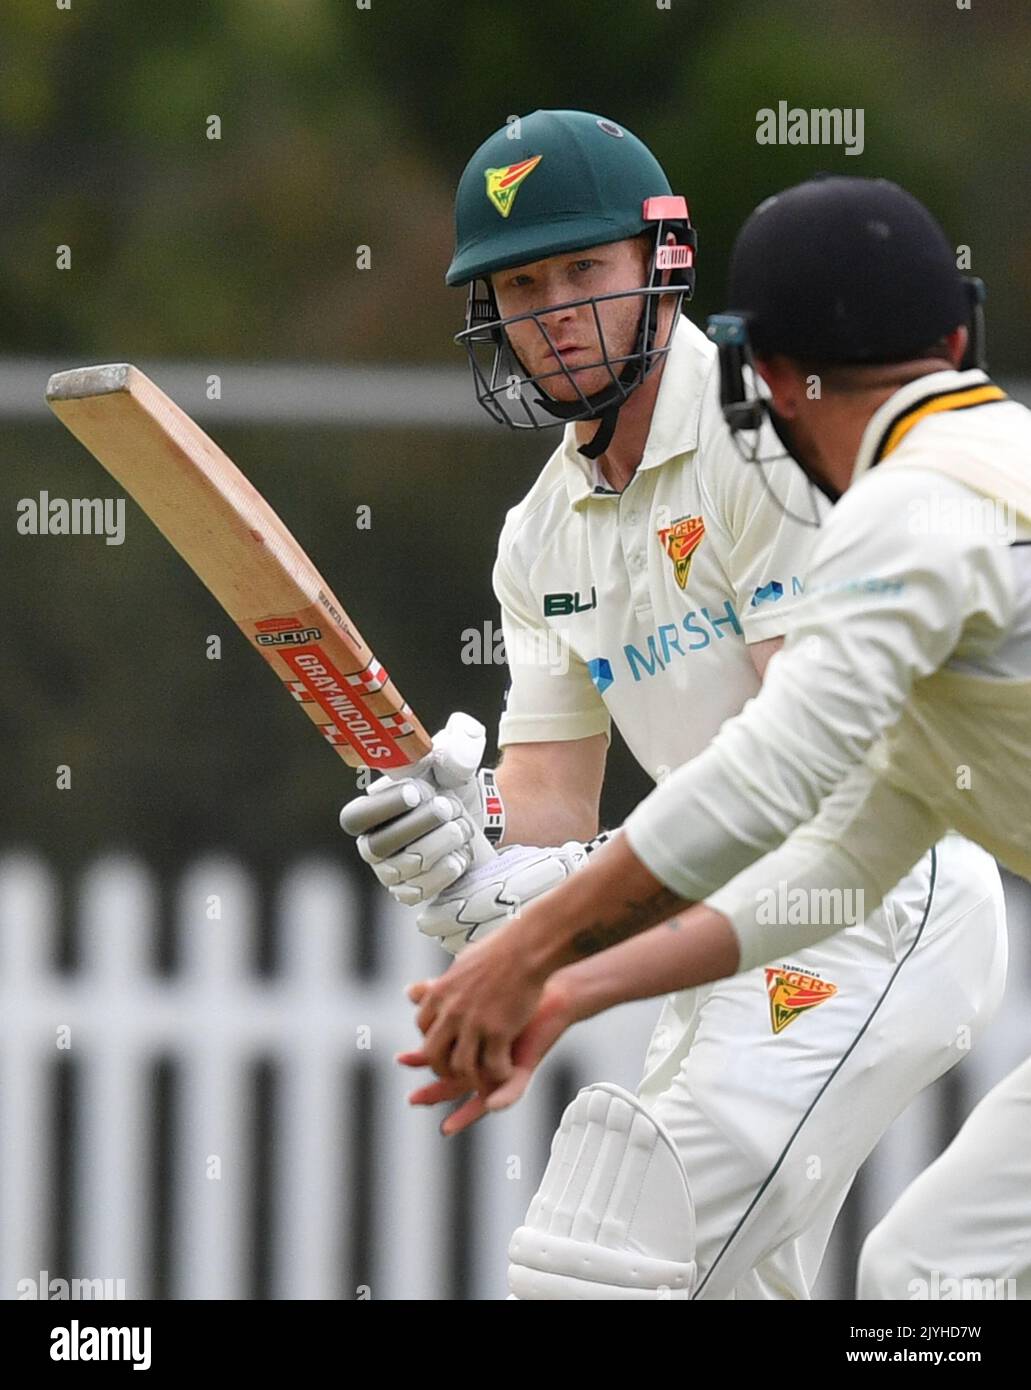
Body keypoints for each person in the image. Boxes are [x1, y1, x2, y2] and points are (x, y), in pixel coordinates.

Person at [342, 120, 1006, 1301]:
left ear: (660, 261)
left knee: (598, 1269)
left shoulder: (784, 440)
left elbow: (799, 773)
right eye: (522, 284)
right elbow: (548, 803)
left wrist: (541, 926)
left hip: (869, 915)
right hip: (728, 927)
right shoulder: (537, 535)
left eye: (581, 271)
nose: (553, 312)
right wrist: (466, 846)